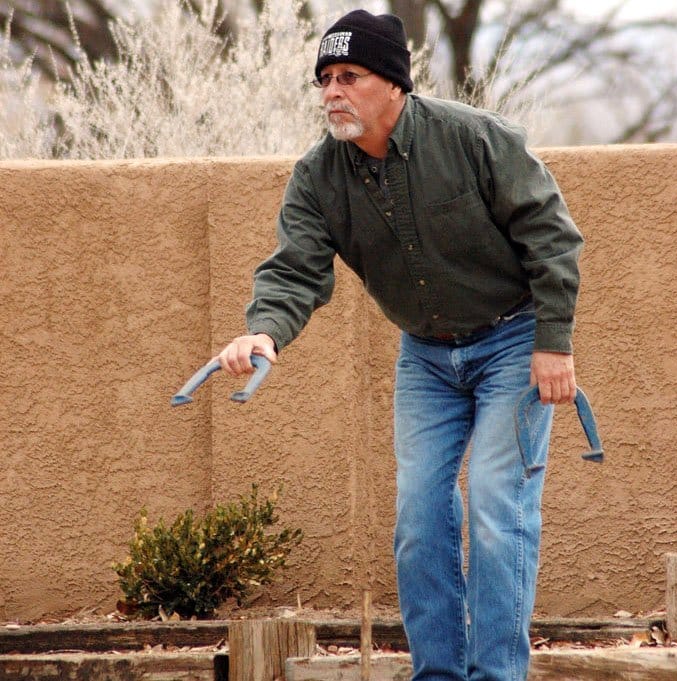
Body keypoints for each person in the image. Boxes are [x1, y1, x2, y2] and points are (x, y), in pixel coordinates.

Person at [216, 9, 583, 681]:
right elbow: (294, 267)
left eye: (348, 75)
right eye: (323, 78)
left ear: (392, 83)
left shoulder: (475, 140)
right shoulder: (318, 177)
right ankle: (437, 673)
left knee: (496, 504)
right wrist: (263, 331)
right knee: (418, 516)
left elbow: (550, 236)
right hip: (426, 356)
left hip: (512, 341)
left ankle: (495, 674)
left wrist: (553, 342)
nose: (331, 91)